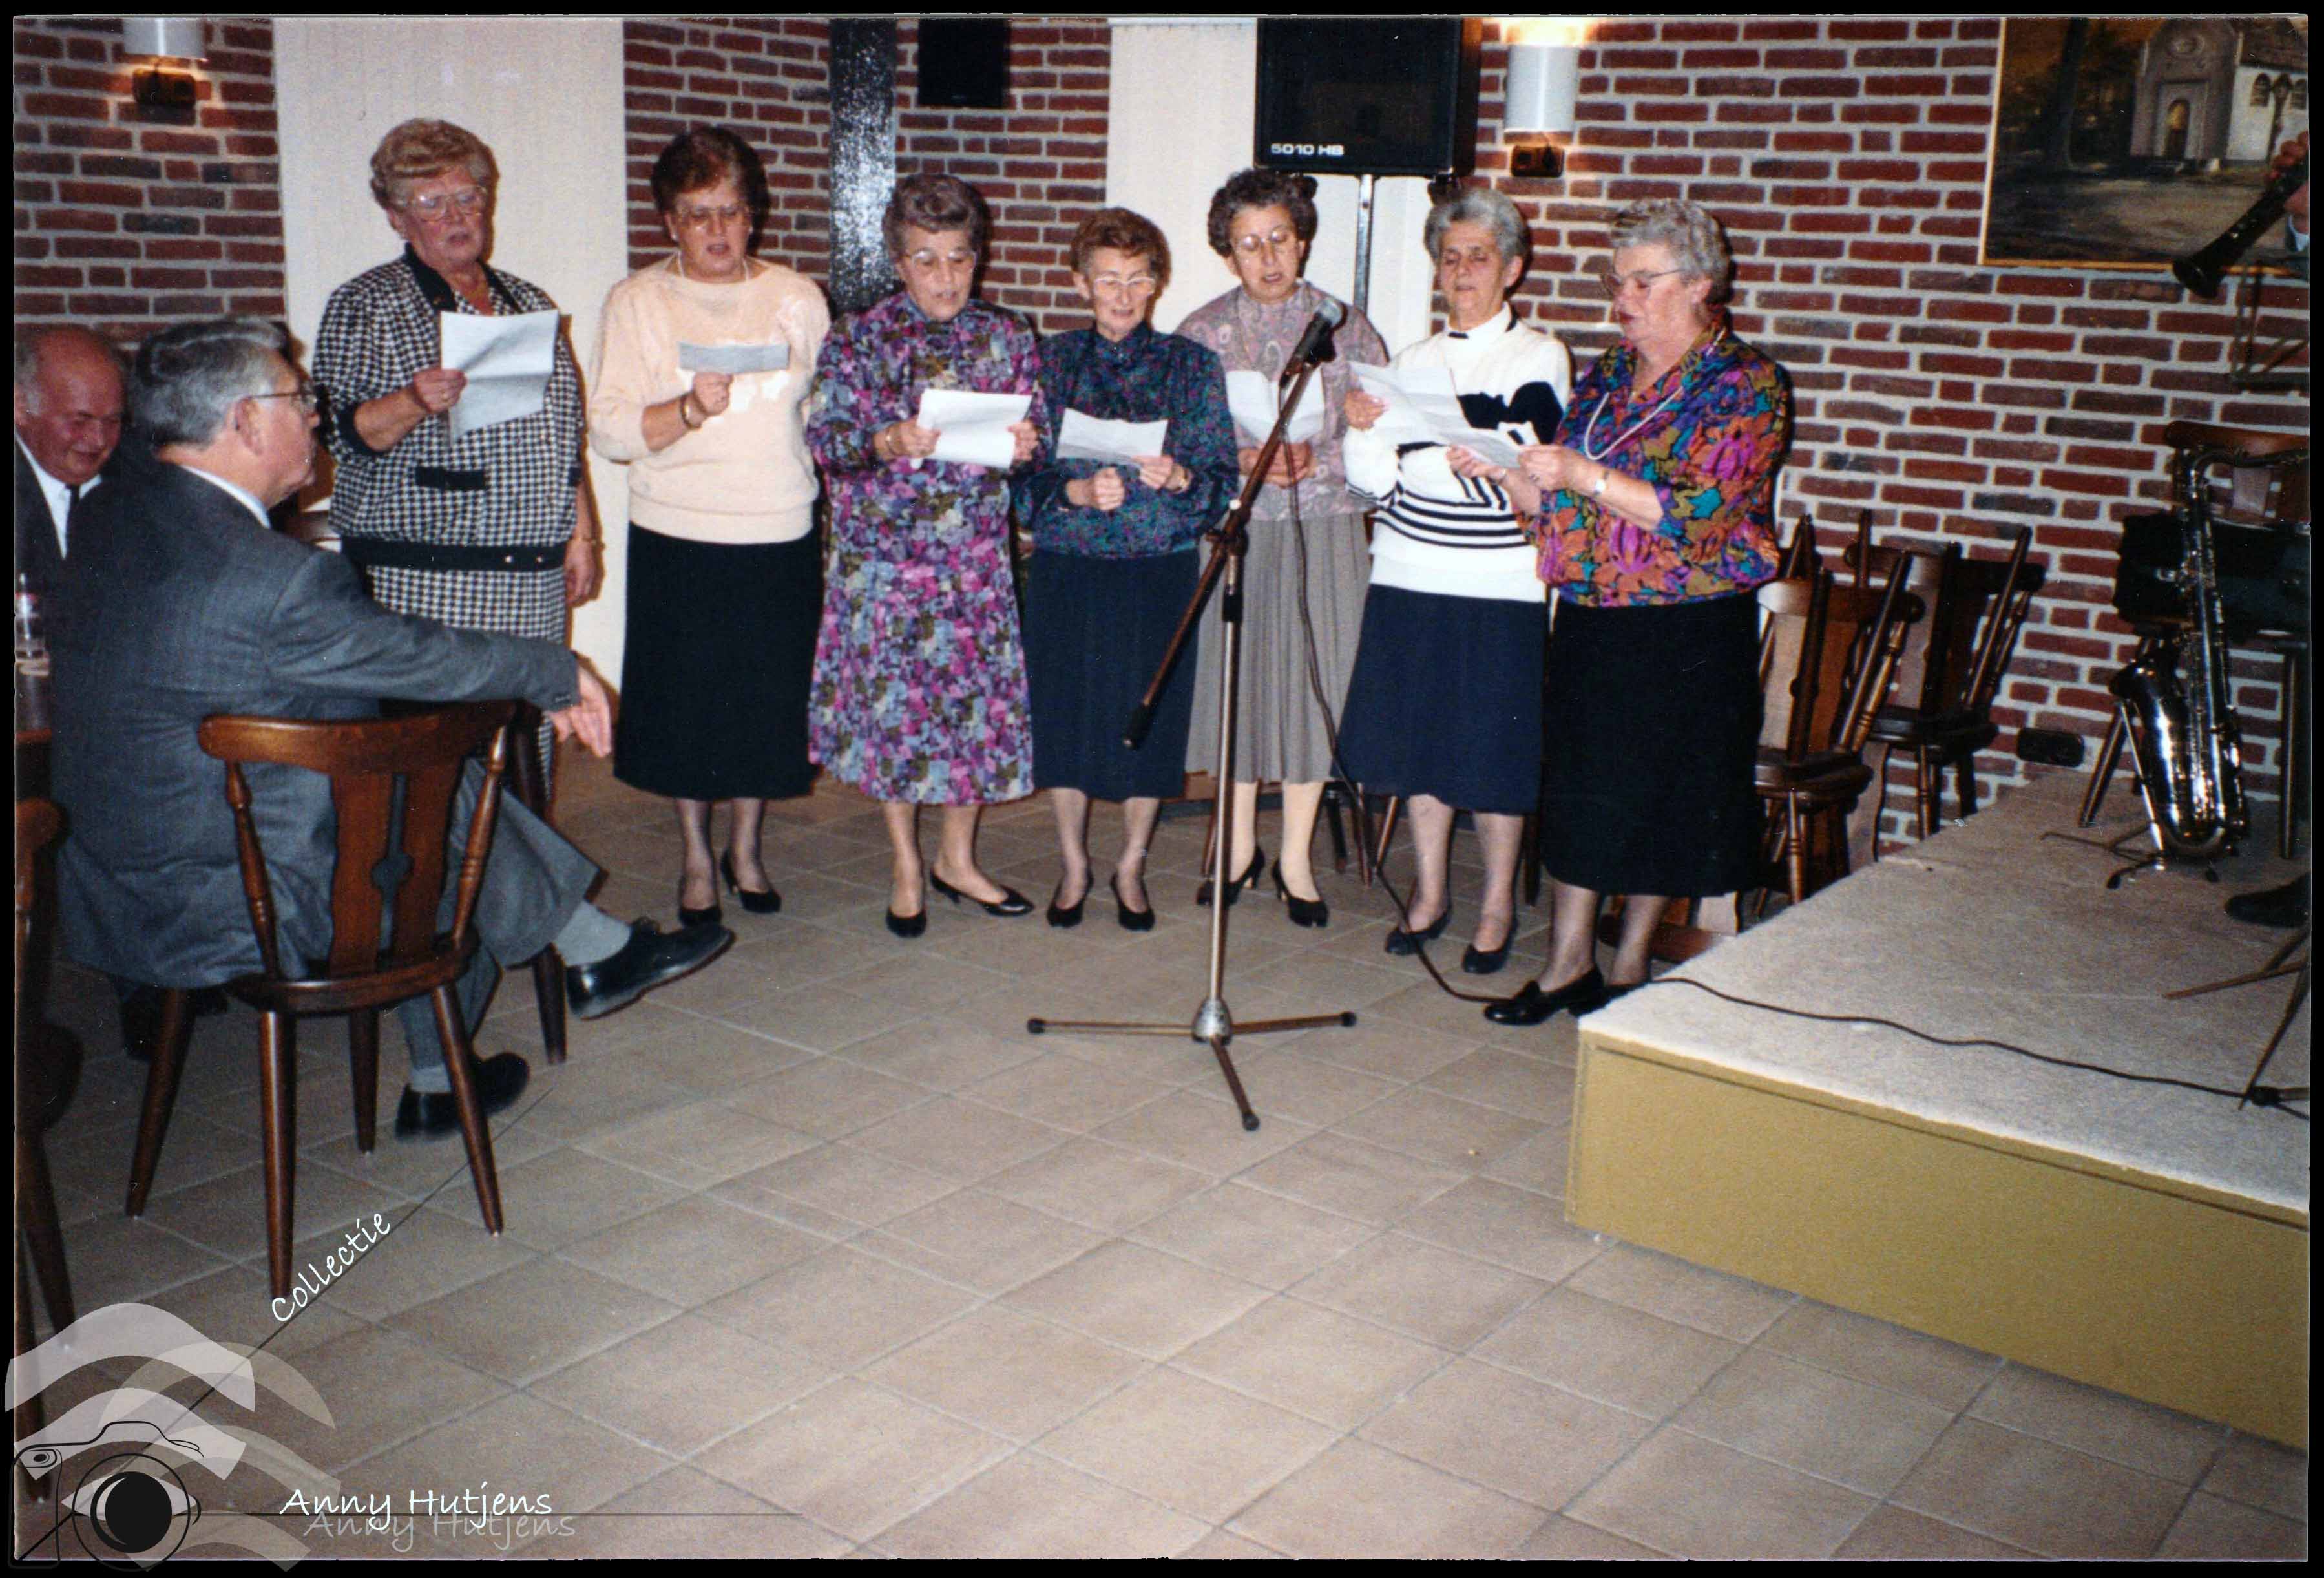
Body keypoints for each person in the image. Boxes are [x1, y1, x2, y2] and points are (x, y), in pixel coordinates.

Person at [49, 320, 731, 1139]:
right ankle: (525, 1005)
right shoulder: (274, 577)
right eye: (299, 397)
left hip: (118, 882)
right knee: (441, 821)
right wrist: (554, 669)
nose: (316, 414)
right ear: (243, 422)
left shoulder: (111, 511)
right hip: (237, 900)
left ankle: (567, 972)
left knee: (424, 783)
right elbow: (415, 655)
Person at [1480, 198, 1790, 1024]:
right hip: (1594, 616)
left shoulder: (1746, 384)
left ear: (1699, 285)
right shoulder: (1610, 374)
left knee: (1664, 799)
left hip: (1688, 624)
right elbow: (1568, 499)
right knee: (1582, 794)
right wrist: (1518, 481)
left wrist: (1582, 476)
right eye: (1616, 281)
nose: (1623, 297)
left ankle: (1628, 968)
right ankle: (1567, 966)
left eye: (1643, 282)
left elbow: (1701, 512)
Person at [313, 118, 602, 789]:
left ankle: (519, 862)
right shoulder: (367, 304)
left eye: (468, 197)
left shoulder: (527, 301)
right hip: (424, 583)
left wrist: (581, 534)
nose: (457, 216)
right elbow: (339, 435)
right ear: (396, 216)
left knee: (524, 756)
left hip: (529, 578)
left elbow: (565, 432)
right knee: (435, 768)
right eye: (432, 202)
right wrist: (413, 401)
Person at [588, 127, 830, 927]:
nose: (716, 231)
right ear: (670, 222)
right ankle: (697, 855)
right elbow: (612, 432)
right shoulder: (638, 302)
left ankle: (746, 849)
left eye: (730, 211)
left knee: (764, 704)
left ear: (753, 215)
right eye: (697, 215)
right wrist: (690, 409)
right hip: (679, 531)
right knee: (687, 709)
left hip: (776, 529)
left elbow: (821, 411)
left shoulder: (796, 297)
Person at [803, 173, 1043, 938]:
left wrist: (1028, 446)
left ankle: (957, 860)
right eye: (927, 260)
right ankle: (907, 864)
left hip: (973, 564)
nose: (946, 277)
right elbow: (826, 442)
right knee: (896, 719)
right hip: (886, 565)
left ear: (979, 258)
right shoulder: (858, 337)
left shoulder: (1008, 336)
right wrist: (886, 440)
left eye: (960, 258)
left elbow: (1035, 445)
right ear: (899, 263)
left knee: (972, 717)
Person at [1340, 187, 1571, 974]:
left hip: (1498, 583)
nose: (1463, 271)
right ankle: (1431, 893)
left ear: (1512, 269)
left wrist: (1469, 460)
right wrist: (1361, 432)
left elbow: (1532, 476)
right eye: (1450, 258)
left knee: (1493, 752)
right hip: (1410, 572)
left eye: (1479, 256)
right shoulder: (1411, 364)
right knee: (1421, 744)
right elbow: (1377, 484)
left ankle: (1498, 905)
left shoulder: (1538, 356)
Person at [1013, 208, 1239, 930]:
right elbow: (1019, 479)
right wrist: (1076, 493)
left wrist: (1179, 478)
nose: (1123, 295)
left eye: (1138, 279)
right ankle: (1074, 864)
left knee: (1150, 721)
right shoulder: (1049, 362)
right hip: (1070, 565)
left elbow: (1220, 483)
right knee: (1066, 720)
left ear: (1156, 284)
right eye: (1108, 279)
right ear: (1080, 283)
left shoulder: (1190, 366)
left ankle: (1132, 865)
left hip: (1157, 567)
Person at [1176, 169, 1388, 927]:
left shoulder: (1346, 327)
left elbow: (1382, 434)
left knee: (1310, 686)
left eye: (1279, 239)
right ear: (1227, 253)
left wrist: (1325, 452)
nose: (1267, 257)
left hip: (1323, 526)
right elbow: (1181, 441)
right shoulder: (1202, 333)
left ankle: (1296, 859)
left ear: (1302, 242)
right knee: (1237, 684)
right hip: (1237, 530)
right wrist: (1240, 458)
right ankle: (1237, 847)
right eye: (1249, 244)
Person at [14, 324, 125, 600]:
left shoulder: (143, 477)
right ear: (20, 407)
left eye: (112, 421)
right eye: (80, 421)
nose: (99, 439)